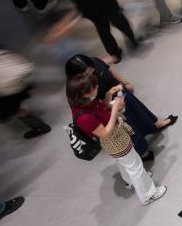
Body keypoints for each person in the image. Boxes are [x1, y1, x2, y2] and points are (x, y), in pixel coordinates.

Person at [66, 70, 167, 206]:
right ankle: (148, 195)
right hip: (115, 140)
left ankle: (130, 181)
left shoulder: (85, 102)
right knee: (135, 166)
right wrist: (114, 111)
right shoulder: (84, 117)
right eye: (94, 87)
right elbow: (105, 133)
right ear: (84, 93)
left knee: (124, 163)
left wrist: (109, 95)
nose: (97, 87)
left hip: (116, 140)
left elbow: (102, 108)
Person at [64, 54, 176, 159]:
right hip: (109, 112)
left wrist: (125, 83)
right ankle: (142, 152)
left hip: (117, 95)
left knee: (138, 111)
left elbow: (109, 71)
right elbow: (99, 121)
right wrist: (111, 106)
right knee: (129, 129)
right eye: (87, 73)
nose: (92, 72)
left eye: (92, 69)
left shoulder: (94, 63)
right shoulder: (79, 94)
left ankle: (153, 125)